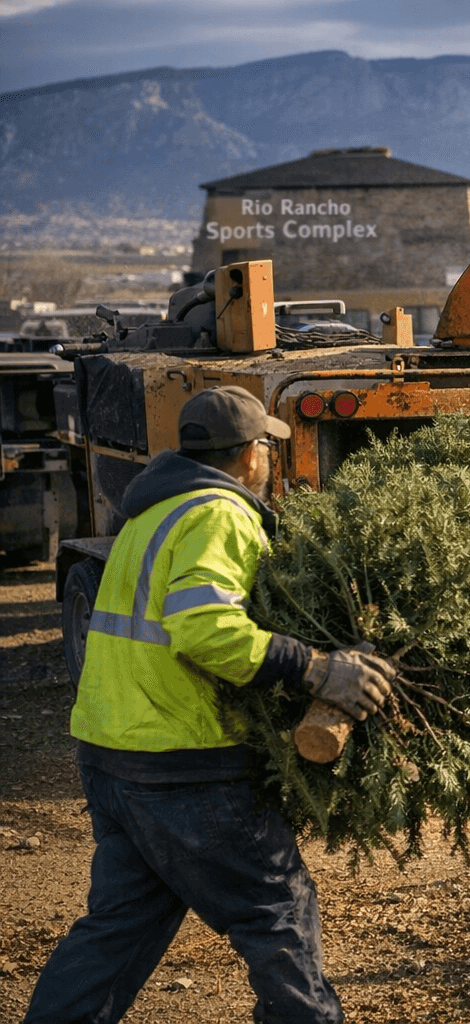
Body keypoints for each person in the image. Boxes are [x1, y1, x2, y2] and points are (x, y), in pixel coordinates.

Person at [25, 386, 398, 1024]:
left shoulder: (151, 512)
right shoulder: (218, 513)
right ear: (251, 454)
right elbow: (204, 628)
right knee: (276, 912)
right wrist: (314, 668)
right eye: (267, 448)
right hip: (184, 763)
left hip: (113, 752)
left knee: (118, 930)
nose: (269, 460)